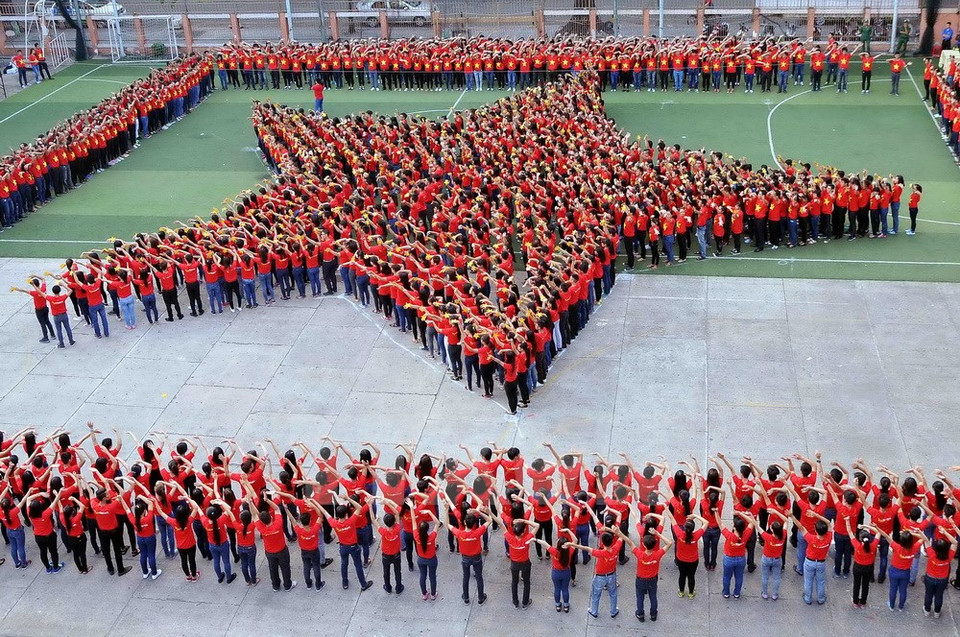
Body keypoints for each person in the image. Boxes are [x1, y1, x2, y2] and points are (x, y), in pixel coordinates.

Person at [622, 526, 672, 623]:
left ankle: (640, 614)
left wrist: (619, 532)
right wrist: (657, 534)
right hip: (652, 579)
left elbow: (629, 542)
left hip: (640, 579)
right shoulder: (658, 554)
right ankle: (653, 614)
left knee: (640, 597)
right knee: (653, 597)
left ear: (644, 545)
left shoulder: (639, 554)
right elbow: (669, 543)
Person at [587, 522, 622, 618]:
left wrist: (573, 545)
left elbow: (587, 548)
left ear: (602, 542)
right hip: (611, 575)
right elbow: (620, 536)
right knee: (613, 594)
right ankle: (613, 611)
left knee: (596, 595)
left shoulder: (600, 553)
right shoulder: (616, 548)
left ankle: (594, 611)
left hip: (600, 577)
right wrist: (610, 530)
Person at [920, 534, 958, 617]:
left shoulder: (931, 554)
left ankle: (927, 610)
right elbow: (955, 543)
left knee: (928, 594)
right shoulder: (949, 556)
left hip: (930, 578)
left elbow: (925, 539)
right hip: (942, 580)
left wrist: (920, 532)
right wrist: (945, 532)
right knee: (939, 595)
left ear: (936, 548)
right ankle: (937, 613)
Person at [10, 277, 54, 343]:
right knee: (47, 321)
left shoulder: (34, 293)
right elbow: (43, 279)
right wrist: (35, 275)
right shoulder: (44, 288)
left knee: (42, 324)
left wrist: (15, 288)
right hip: (45, 308)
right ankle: (53, 334)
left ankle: (46, 337)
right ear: (39, 284)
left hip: (39, 310)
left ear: (33, 285)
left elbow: (23, 290)